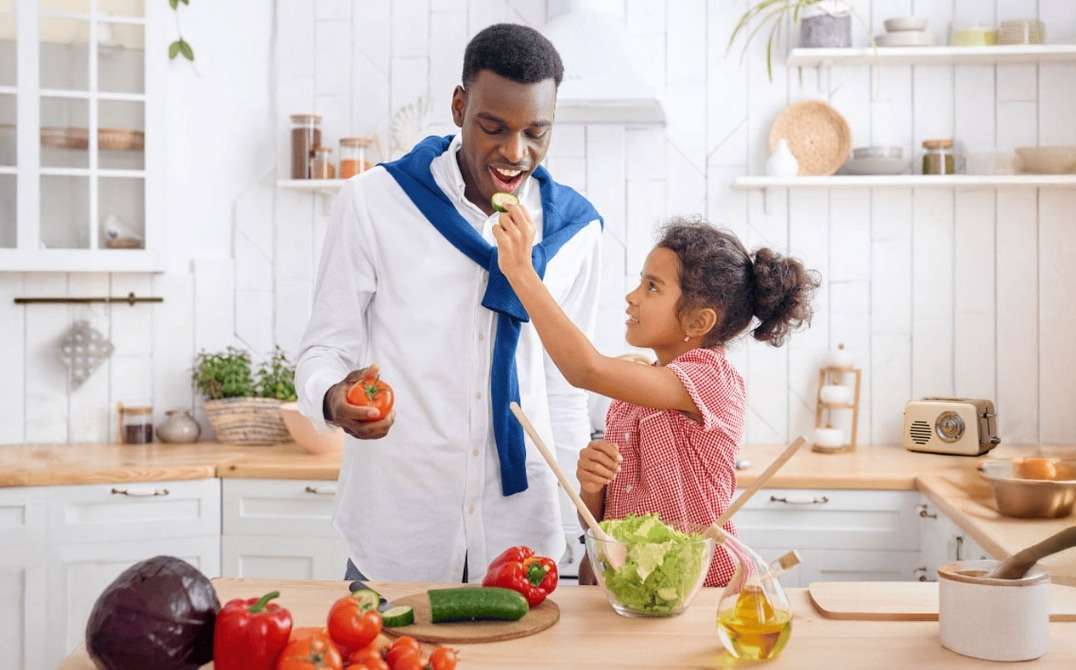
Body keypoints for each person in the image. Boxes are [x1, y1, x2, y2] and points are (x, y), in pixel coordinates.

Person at [294, 23, 604, 584]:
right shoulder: (374, 203)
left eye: (537, 132)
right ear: (460, 106)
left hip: (523, 542)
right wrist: (334, 399)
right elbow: (323, 349)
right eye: (494, 127)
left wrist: (589, 529)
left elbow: (565, 391)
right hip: (397, 533)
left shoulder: (574, 232)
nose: (515, 153)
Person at [493, 211, 819, 586]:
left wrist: (521, 271)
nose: (632, 297)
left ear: (699, 322)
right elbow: (599, 524)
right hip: (628, 588)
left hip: (698, 591)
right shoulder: (629, 401)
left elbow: (587, 370)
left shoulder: (711, 378)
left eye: (652, 287)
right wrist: (592, 487)